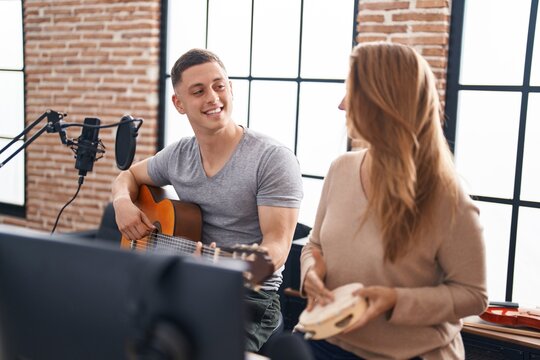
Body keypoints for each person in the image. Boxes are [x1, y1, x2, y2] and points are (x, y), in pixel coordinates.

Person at [299, 42, 488, 359]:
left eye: (351, 92)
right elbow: (314, 244)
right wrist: (311, 272)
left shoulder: (448, 197)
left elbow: (473, 296)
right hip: (326, 343)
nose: (342, 105)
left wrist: (395, 300)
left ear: (381, 103)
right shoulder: (341, 169)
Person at [111, 48, 303, 352]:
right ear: (179, 103)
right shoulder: (178, 155)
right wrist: (122, 203)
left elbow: (277, 248)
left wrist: (226, 266)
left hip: (250, 297)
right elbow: (127, 177)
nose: (213, 97)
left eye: (219, 86)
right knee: (116, 334)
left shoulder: (272, 159)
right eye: (198, 91)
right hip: (185, 283)